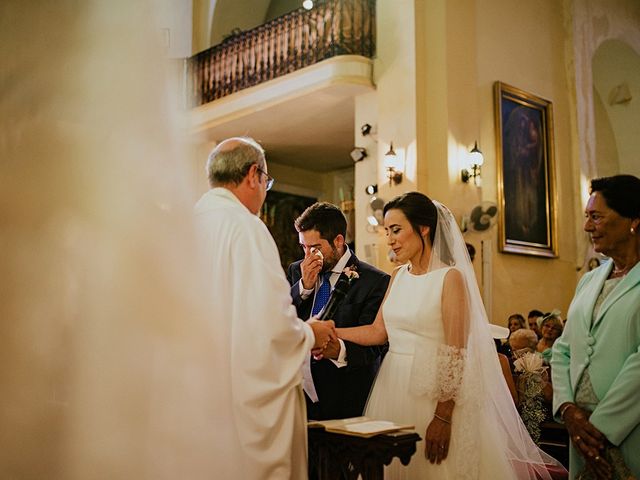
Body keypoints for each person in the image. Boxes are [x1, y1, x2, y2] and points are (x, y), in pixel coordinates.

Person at [337, 192, 563, 479]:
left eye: (396, 230)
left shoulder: (450, 278)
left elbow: (456, 351)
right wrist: (331, 331)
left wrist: (442, 416)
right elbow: (378, 332)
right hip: (393, 385)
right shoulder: (398, 275)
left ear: (424, 229)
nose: (390, 239)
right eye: (387, 232)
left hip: (434, 393)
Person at [194, 137, 336, 479]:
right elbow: (270, 329)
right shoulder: (245, 227)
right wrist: (310, 333)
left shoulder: (189, 223)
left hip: (200, 395)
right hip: (242, 404)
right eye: (267, 182)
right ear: (254, 175)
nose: (265, 191)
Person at [552, 174, 640, 479]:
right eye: (587, 217)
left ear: (633, 221)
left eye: (596, 217)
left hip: (626, 430)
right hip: (579, 431)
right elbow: (563, 350)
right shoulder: (589, 280)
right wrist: (568, 410)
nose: (588, 226)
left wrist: (598, 430)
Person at [286, 202, 390, 420]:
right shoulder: (297, 271)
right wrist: (304, 287)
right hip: (297, 392)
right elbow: (283, 319)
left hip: (345, 393)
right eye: (303, 247)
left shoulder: (375, 281)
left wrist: (339, 351)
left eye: (314, 248)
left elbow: (378, 344)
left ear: (338, 241)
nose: (308, 256)